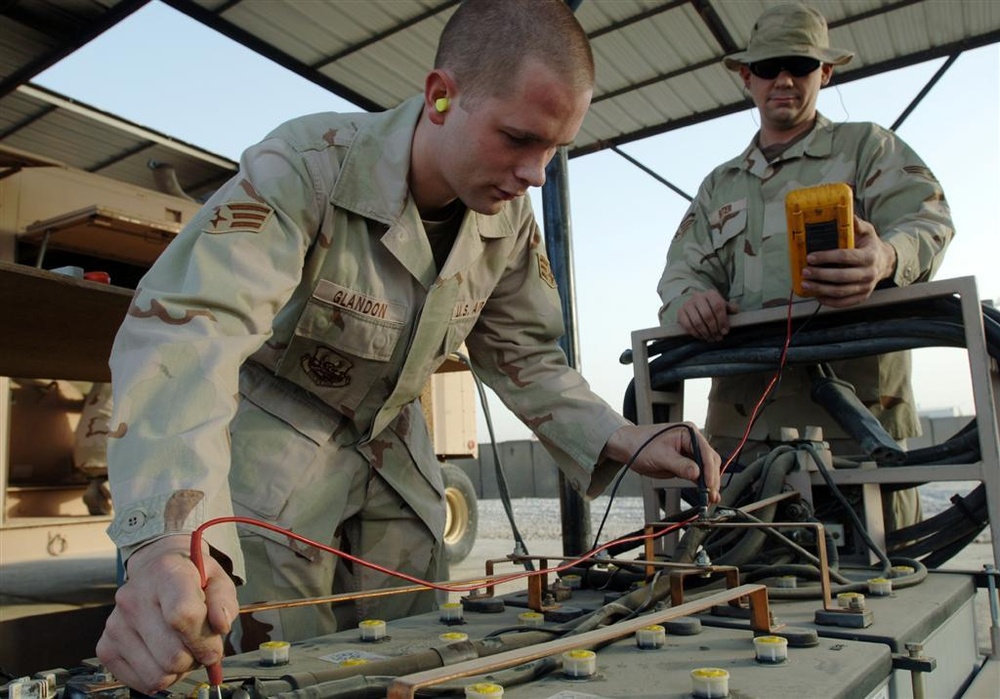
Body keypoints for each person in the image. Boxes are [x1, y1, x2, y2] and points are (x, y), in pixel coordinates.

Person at [96, 0, 721, 692]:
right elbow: (192, 329)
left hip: (396, 454)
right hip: (272, 455)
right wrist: (166, 539)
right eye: (517, 138)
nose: (537, 173)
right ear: (440, 95)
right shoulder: (306, 169)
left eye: (553, 149)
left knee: (412, 657)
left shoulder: (505, 225)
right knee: (267, 666)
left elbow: (529, 358)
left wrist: (625, 437)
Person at [657, 3, 953, 530]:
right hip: (742, 437)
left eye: (800, 65)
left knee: (877, 584)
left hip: (856, 433)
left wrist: (884, 257)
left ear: (827, 72)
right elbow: (680, 272)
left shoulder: (866, 149)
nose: (784, 81)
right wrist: (689, 299)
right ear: (747, 77)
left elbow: (927, 222)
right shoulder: (719, 186)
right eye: (769, 68)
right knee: (748, 586)